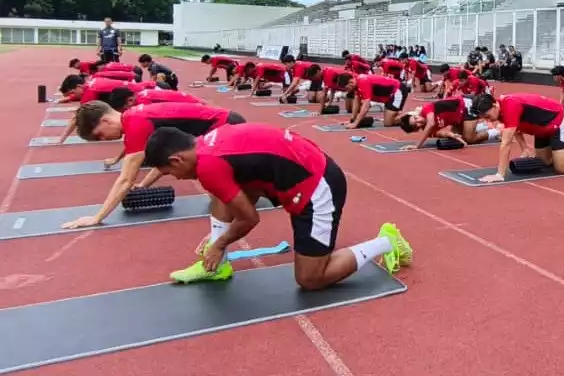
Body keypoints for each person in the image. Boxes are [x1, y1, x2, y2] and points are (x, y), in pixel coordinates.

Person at [142, 124, 413, 287]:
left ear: (177, 160)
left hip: (317, 188)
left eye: (169, 172)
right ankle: (218, 267)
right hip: (298, 170)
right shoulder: (206, 144)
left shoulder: (208, 166)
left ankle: (386, 241)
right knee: (222, 194)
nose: (175, 178)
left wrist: (219, 243)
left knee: (310, 280)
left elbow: (250, 219)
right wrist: (218, 238)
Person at [61, 101, 247, 232]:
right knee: (213, 185)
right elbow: (162, 161)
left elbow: (125, 179)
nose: (103, 139)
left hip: (226, 125)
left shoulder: (135, 124)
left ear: (105, 121)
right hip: (224, 122)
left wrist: (97, 218)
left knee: (214, 185)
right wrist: (143, 186)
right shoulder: (134, 117)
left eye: (100, 135)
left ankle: (226, 234)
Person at [470, 93, 564, 183]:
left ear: (494, 105)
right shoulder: (500, 109)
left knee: (562, 168)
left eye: (488, 116)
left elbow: (506, 143)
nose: (488, 120)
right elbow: (515, 129)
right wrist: (524, 148)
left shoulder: (510, 105)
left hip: (557, 121)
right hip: (540, 129)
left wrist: (499, 174)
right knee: (545, 162)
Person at [398, 96, 500, 150]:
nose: (419, 121)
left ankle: (498, 131)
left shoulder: (426, 109)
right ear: (416, 129)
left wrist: (417, 145)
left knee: (469, 139)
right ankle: (483, 126)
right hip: (457, 119)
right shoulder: (427, 131)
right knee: (460, 137)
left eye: (415, 118)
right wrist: (452, 135)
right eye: (416, 125)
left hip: (466, 105)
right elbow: (441, 134)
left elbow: (431, 123)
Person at [334, 72, 410, 128]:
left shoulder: (363, 81)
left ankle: (412, 115)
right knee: (389, 120)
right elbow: (356, 101)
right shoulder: (356, 83)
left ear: (350, 83)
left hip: (397, 91)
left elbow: (366, 106)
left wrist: (355, 124)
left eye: (347, 88)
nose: (347, 91)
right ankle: (397, 114)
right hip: (388, 97)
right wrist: (352, 119)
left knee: (388, 123)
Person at [107, 87, 205, 112]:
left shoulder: (143, 102)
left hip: (195, 106)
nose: (127, 110)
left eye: (125, 108)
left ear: (130, 100)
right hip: (192, 101)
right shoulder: (140, 95)